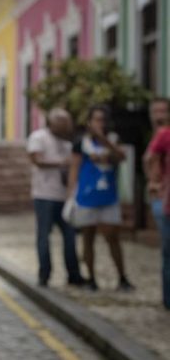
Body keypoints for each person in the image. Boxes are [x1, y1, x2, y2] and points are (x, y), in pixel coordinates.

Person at [67, 105, 133, 291]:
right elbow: (74, 168)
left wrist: (103, 140)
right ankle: (92, 279)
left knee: (112, 236)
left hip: (108, 196)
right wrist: (70, 195)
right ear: (89, 121)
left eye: (102, 119)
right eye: (96, 119)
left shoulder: (112, 140)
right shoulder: (81, 143)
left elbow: (121, 156)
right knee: (88, 238)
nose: (99, 123)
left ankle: (122, 277)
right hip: (86, 197)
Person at [27, 108, 84, 288]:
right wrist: (63, 163)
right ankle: (44, 274)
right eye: (61, 123)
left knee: (70, 236)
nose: (64, 127)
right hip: (44, 195)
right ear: (51, 123)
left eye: (66, 123)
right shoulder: (39, 137)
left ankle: (73, 274)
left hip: (64, 196)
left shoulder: (68, 144)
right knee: (44, 235)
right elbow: (36, 160)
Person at [144, 97, 170, 310]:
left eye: (163, 110)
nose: (159, 114)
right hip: (164, 199)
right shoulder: (161, 135)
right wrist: (154, 183)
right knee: (167, 249)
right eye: (156, 110)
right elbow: (149, 160)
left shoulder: (163, 133)